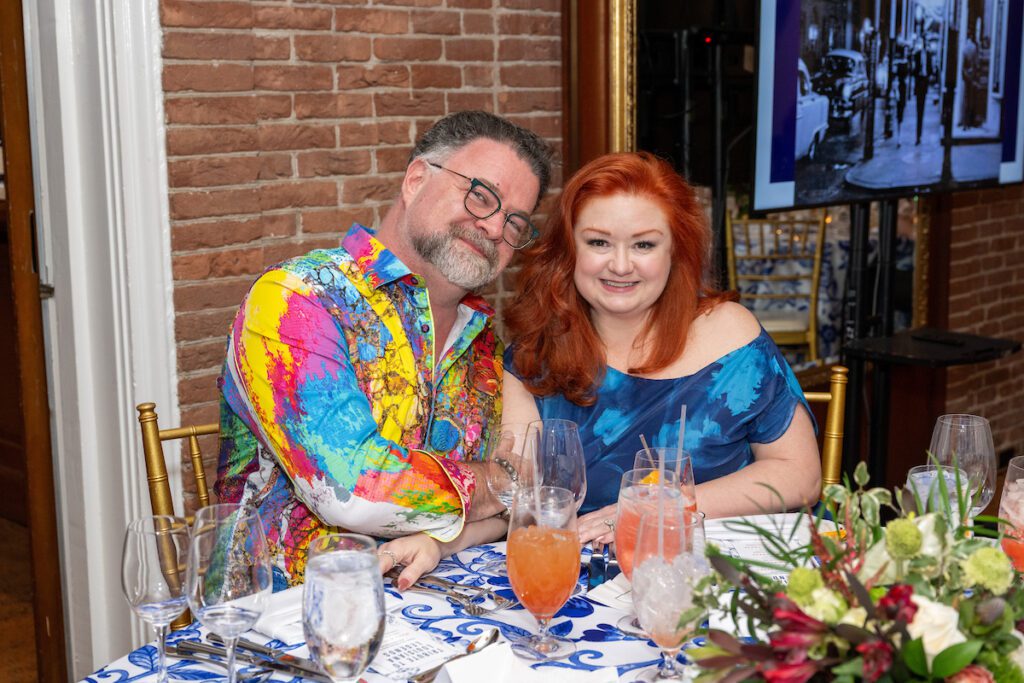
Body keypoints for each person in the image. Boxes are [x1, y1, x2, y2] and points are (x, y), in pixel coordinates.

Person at [214, 111, 554, 589]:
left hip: (440, 606)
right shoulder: (297, 299)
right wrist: (497, 482)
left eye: (516, 222)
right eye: (481, 196)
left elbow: (527, 502)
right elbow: (352, 491)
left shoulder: (484, 345)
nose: (496, 228)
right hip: (281, 614)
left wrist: (480, 509)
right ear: (416, 180)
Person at [501, 152, 821, 546]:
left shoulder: (730, 334)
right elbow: (514, 495)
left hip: (718, 567)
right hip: (588, 573)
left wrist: (663, 507)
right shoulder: (535, 355)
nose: (621, 265)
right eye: (599, 242)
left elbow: (800, 475)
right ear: (568, 249)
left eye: (644, 245)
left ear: (675, 251)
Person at [912, 35, 932, 145]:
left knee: (922, 110)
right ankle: (917, 135)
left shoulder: (929, 55)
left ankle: (919, 134)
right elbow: (913, 71)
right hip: (919, 82)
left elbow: (931, 69)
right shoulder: (916, 55)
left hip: (924, 83)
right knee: (918, 110)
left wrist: (927, 76)